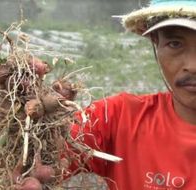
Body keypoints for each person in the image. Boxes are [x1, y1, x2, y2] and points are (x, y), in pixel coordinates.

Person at [17, 0, 196, 189]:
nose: (193, 66)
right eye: (175, 44)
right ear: (155, 42)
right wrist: (17, 116)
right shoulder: (118, 119)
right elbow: (30, 166)